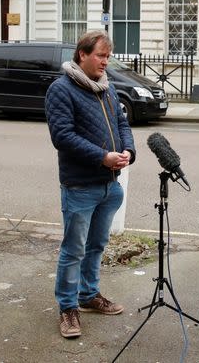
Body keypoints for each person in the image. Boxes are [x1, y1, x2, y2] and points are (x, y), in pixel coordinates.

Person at [44, 31, 136, 339]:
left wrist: (127, 151)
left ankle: (88, 295)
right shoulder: (62, 89)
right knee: (74, 250)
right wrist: (103, 157)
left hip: (110, 186)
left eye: (108, 57)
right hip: (81, 186)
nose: (105, 62)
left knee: (96, 246)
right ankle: (68, 308)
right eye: (101, 56)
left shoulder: (106, 89)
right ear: (82, 54)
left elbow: (122, 124)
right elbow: (63, 136)